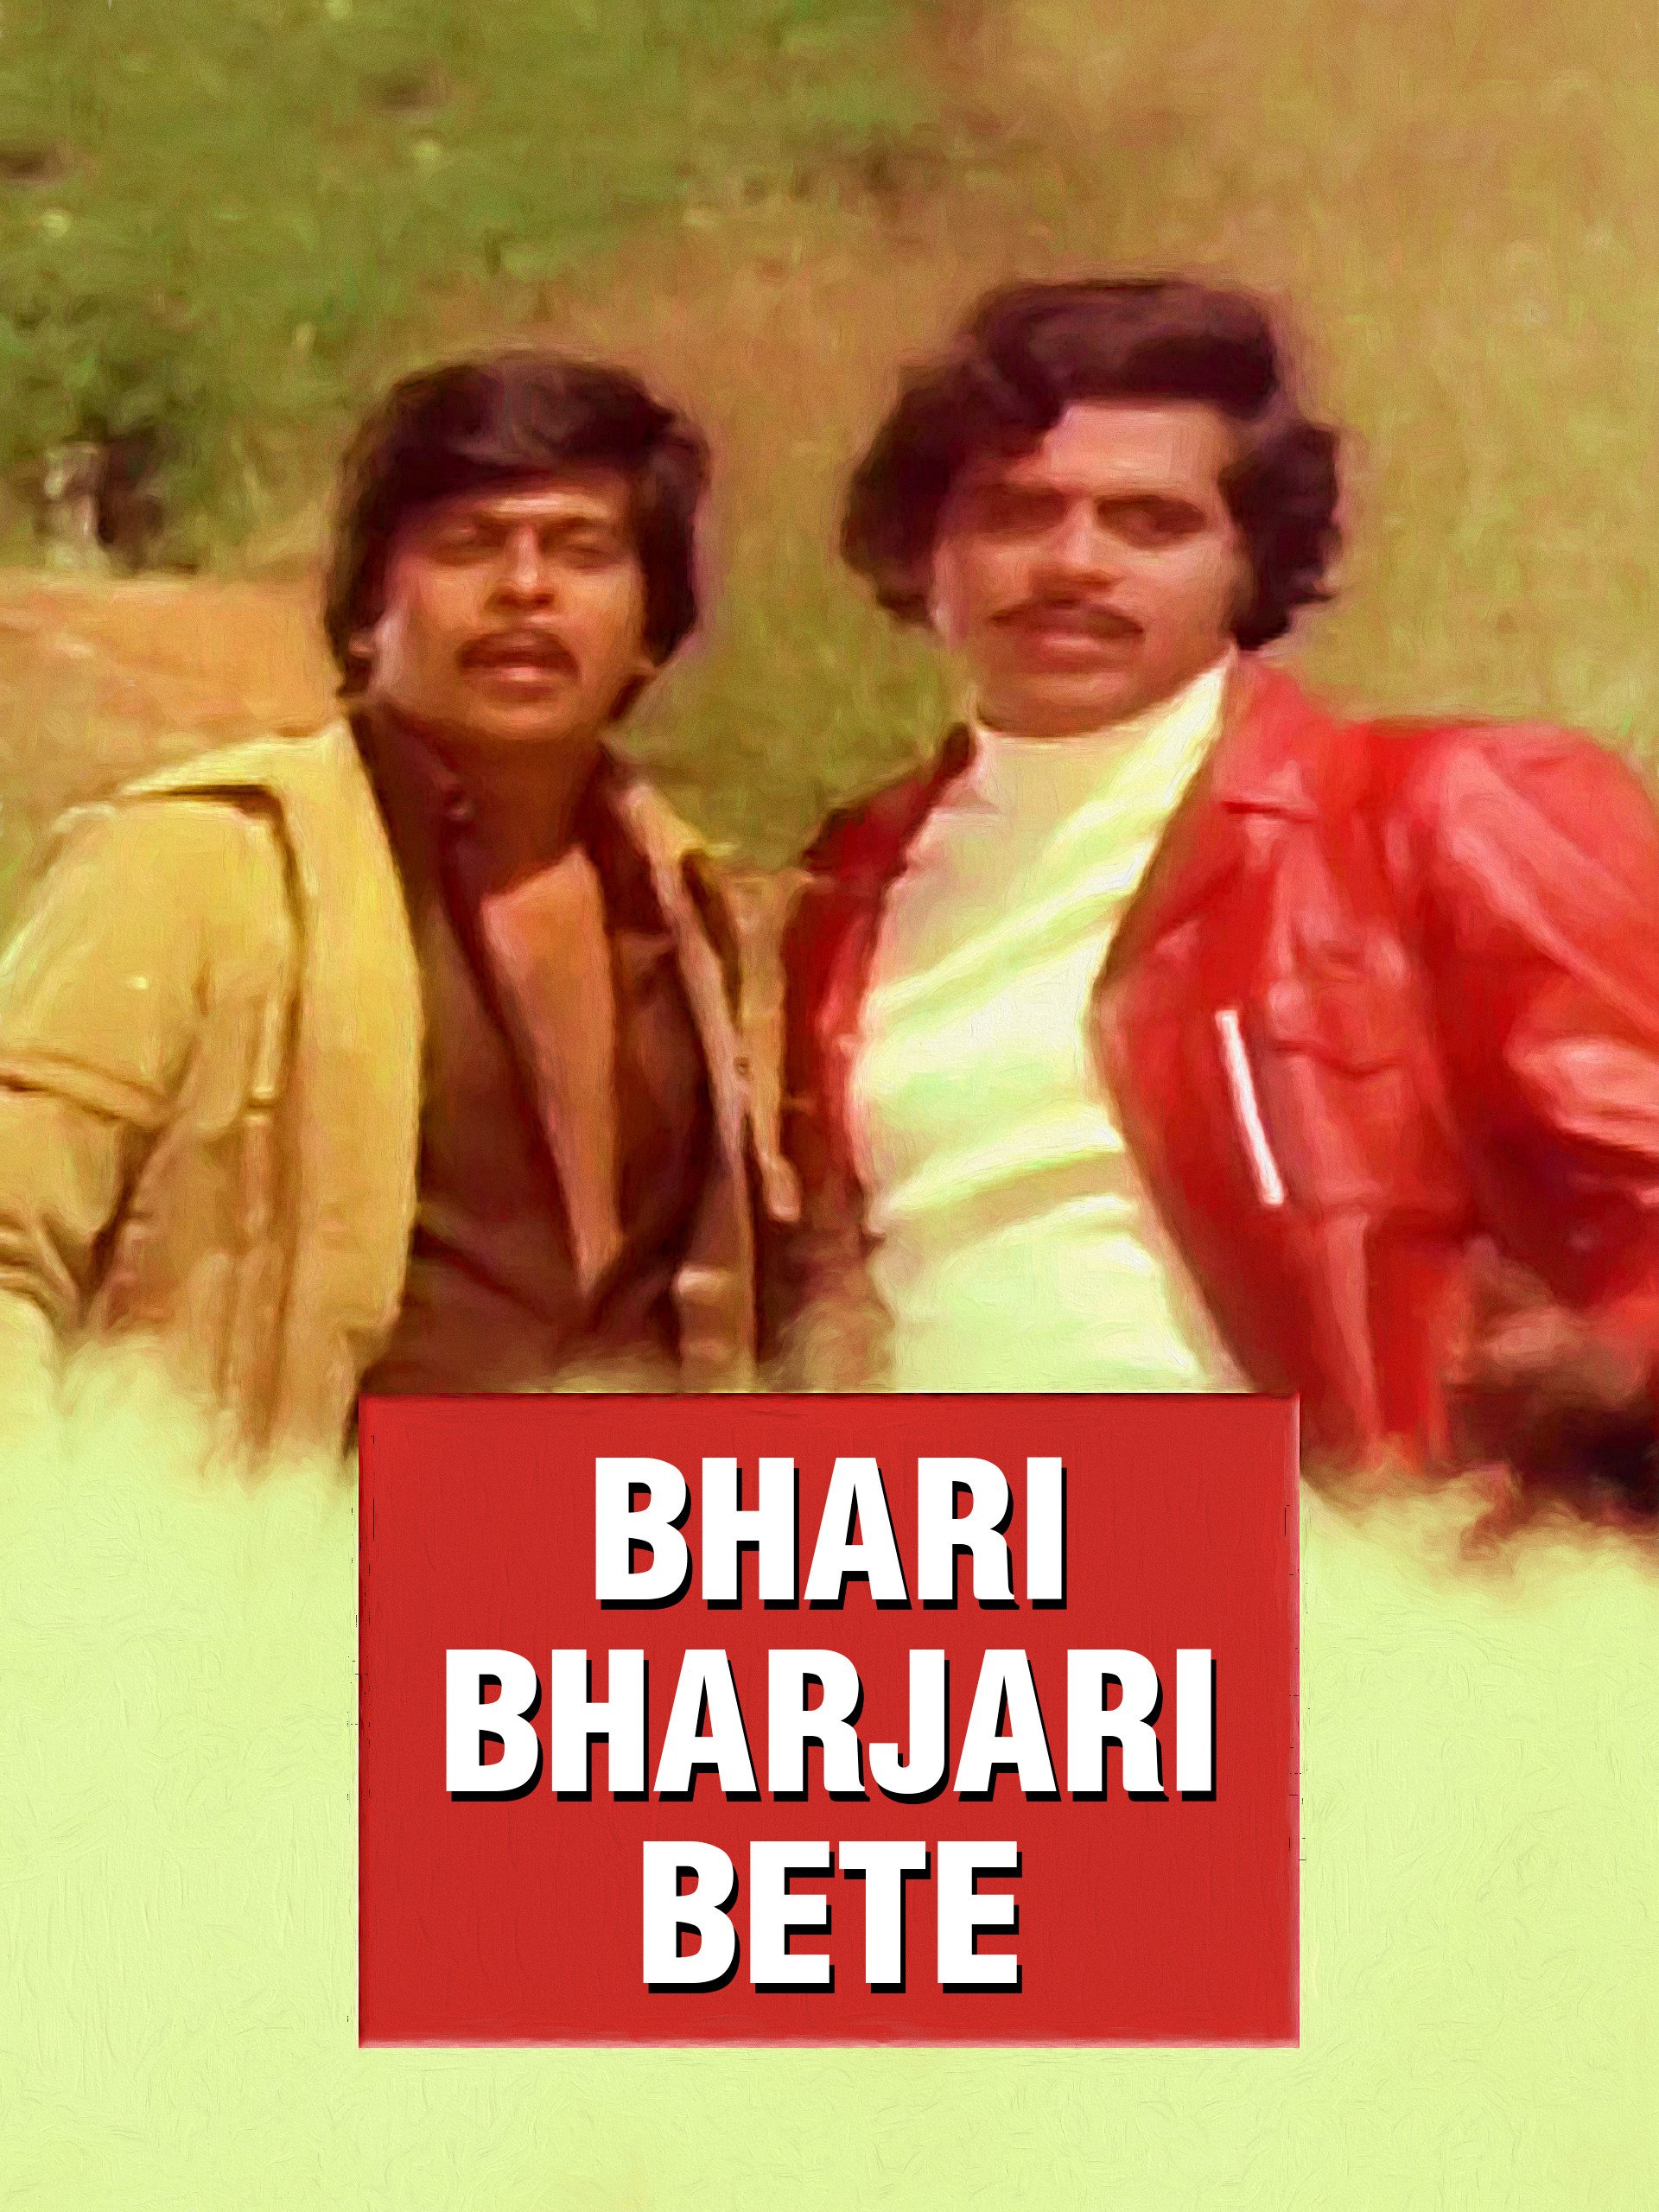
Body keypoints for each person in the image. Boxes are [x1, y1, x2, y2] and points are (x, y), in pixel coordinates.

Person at [777, 276, 1659, 1511]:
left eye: (1150, 523)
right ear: (929, 552)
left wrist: (1557, 1412)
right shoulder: (845, 886)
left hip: (1344, 1560)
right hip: (964, 1567)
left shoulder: (1439, 812)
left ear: (1248, 564)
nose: (1073, 563)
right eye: (1017, 513)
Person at [0, 352, 795, 1457]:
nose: (526, 588)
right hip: (281, 1537)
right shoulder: (201, 861)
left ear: (652, 628)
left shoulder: (691, 907)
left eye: (582, 551)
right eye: (469, 545)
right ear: (370, 607)